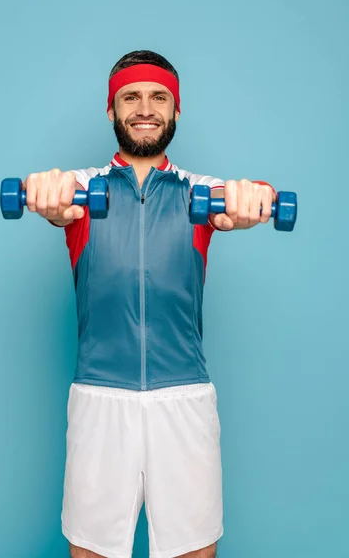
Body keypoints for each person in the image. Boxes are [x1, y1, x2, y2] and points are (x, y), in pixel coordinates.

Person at [23, 50, 276, 558]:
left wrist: (255, 198)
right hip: (100, 396)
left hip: (184, 398)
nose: (145, 108)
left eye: (158, 97)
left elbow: (254, 194)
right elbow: (44, 191)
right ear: (111, 111)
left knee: (193, 552)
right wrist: (42, 191)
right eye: (130, 97)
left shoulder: (200, 194)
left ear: (176, 111)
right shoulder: (81, 190)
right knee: (92, 551)